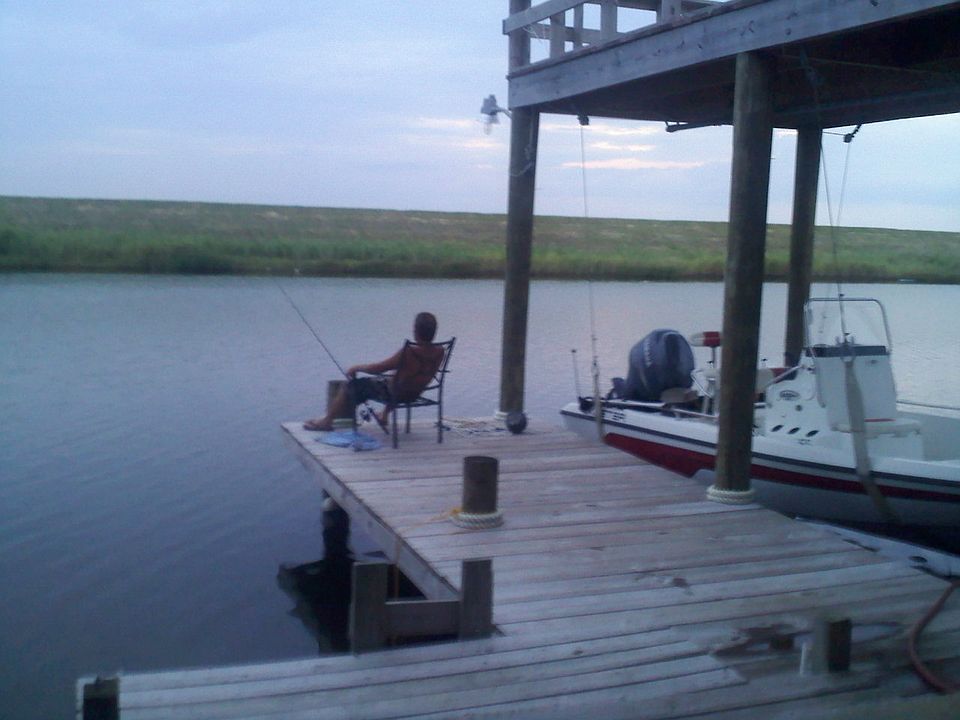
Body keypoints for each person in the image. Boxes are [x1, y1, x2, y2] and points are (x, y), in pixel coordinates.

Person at [303, 312, 444, 432]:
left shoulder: (408, 351)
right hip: (414, 394)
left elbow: (378, 368)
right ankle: (384, 416)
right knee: (397, 380)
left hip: (396, 394)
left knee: (350, 385)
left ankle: (327, 421)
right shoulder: (440, 351)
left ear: (415, 330)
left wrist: (356, 368)